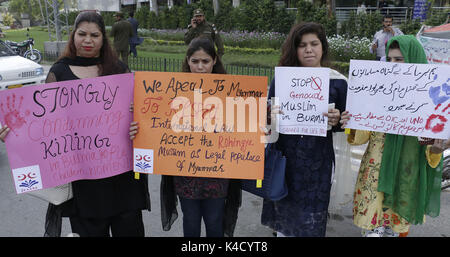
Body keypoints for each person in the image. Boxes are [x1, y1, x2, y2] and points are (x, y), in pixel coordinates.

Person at [42, 11, 150, 237]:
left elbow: (139, 114)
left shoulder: (119, 70)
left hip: (123, 178)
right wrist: (15, 136)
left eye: (95, 35)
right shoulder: (58, 73)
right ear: (73, 36)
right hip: (84, 181)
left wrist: (137, 122)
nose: (88, 40)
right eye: (82, 34)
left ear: (103, 39)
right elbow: (43, 123)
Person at [129, 37, 241, 237]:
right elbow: (155, 121)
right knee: (190, 219)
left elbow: (245, 124)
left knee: (215, 221)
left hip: (217, 170)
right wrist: (138, 114)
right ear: (187, 61)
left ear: (214, 61)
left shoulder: (230, 91)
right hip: (185, 171)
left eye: (205, 61)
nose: (200, 67)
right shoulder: (172, 90)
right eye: (195, 61)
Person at [340, 35, 445, 237]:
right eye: (390, 59)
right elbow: (362, 137)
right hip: (375, 177)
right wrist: (352, 123)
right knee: (371, 230)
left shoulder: (430, 101)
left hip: (405, 178)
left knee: (396, 231)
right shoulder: (377, 92)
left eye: (399, 59)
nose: (393, 65)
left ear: (414, 60)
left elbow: (430, 150)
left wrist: (436, 150)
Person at [260, 22, 348, 237]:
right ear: (294, 50)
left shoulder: (337, 82)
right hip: (285, 160)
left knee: (311, 222)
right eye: (302, 45)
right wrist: (270, 115)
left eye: (314, 44)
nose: (309, 49)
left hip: (317, 164)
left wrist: (338, 121)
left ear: (323, 47)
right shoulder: (282, 80)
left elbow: (347, 125)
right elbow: (268, 121)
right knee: (284, 223)